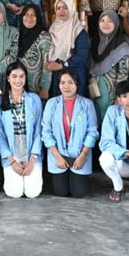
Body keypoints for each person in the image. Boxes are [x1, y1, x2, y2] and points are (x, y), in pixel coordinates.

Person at [41, 70, 99, 198]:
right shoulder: (52, 104)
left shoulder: (87, 104)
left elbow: (92, 132)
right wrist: (56, 155)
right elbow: (46, 132)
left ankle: (76, 176)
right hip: (58, 154)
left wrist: (83, 155)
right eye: (62, 83)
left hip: (79, 154)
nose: (66, 86)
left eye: (70, 83)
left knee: (79, 193)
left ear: (77, 84)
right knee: (61, 192)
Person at [0, 62, 44, 199]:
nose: (18, 80)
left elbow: (39, 130)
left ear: (26, 78)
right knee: (14, 192)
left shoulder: (34, 100)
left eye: (22, 76)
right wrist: (11, 161)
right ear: (8, 78)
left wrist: (32, 159)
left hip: (31, 153)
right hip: (12, 153)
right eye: (14, 76)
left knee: (32, 193)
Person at [87, 9, 129, 122]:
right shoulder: (94, 42)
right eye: (102, 20)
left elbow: (123, 74)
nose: (105, 23)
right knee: (94, 118)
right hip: (94, 89)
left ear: (116, 23)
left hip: (112, 93)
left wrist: (120, 95)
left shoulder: (122, 45)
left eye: (110, 21)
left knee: (110, 120)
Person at [46, 0, 89, 97]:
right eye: (58, 8)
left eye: (65, 7)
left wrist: (62, 65)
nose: (62, 11)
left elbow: (82, 56)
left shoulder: (78, 30)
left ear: (71, 9)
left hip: (74, 74)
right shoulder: (53, 28)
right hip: (56, 74)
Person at [17, 4, 52, 100]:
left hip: (37, 90)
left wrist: (45, 88)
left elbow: (47, 63)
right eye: (26, 14)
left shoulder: (43, 36)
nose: (29, 18)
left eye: (33, 15)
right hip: (19, 87)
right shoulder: (19, 35)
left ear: (38, 18)